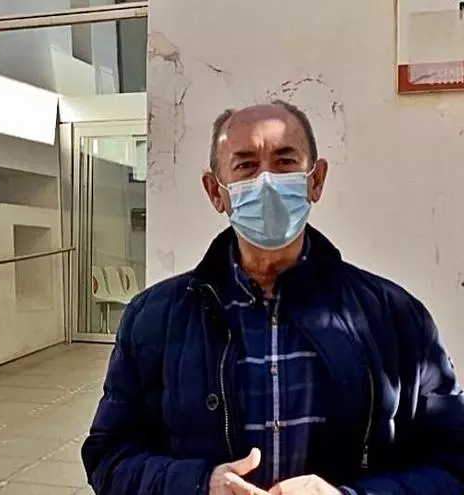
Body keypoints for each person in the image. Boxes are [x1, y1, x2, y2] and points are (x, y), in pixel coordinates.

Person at [82, 102, 464, 494]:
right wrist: (199, 485)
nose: (267, 181)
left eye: (285, 162)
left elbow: (454, 464)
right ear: (216, 192)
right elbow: (109, 456)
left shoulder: (395, 317)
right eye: (246, 165)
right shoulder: (153, 319)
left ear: (316, 181)